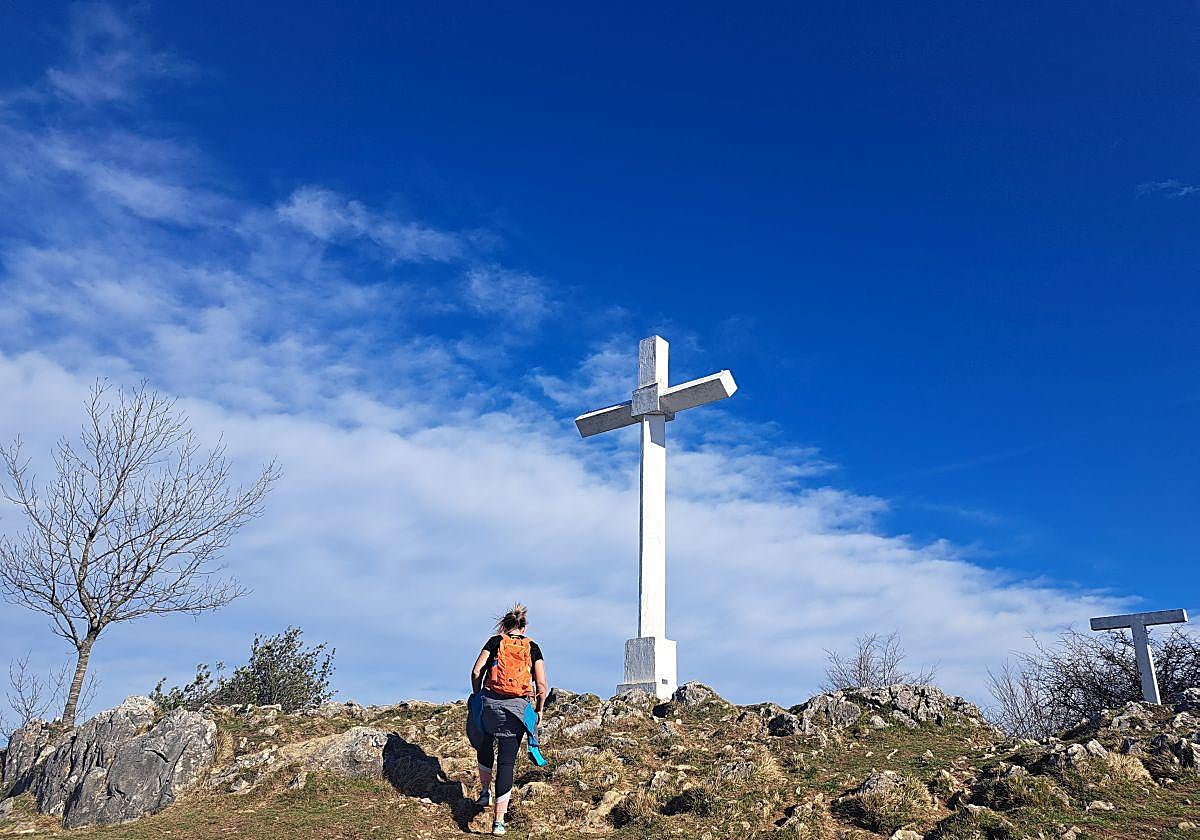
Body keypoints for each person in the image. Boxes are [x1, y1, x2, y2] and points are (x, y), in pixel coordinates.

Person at [470, 603, 548, 836]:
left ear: (505, 624)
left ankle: (484, 792)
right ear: (524, 627)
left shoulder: (495, 642)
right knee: (506, 763)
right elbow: (541, 685)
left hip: (490, 706)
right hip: (517, 710)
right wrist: (539, 709)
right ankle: (499, 823)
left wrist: (478, 695)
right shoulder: (533, 647)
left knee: (484, 743)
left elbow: (476, 672)